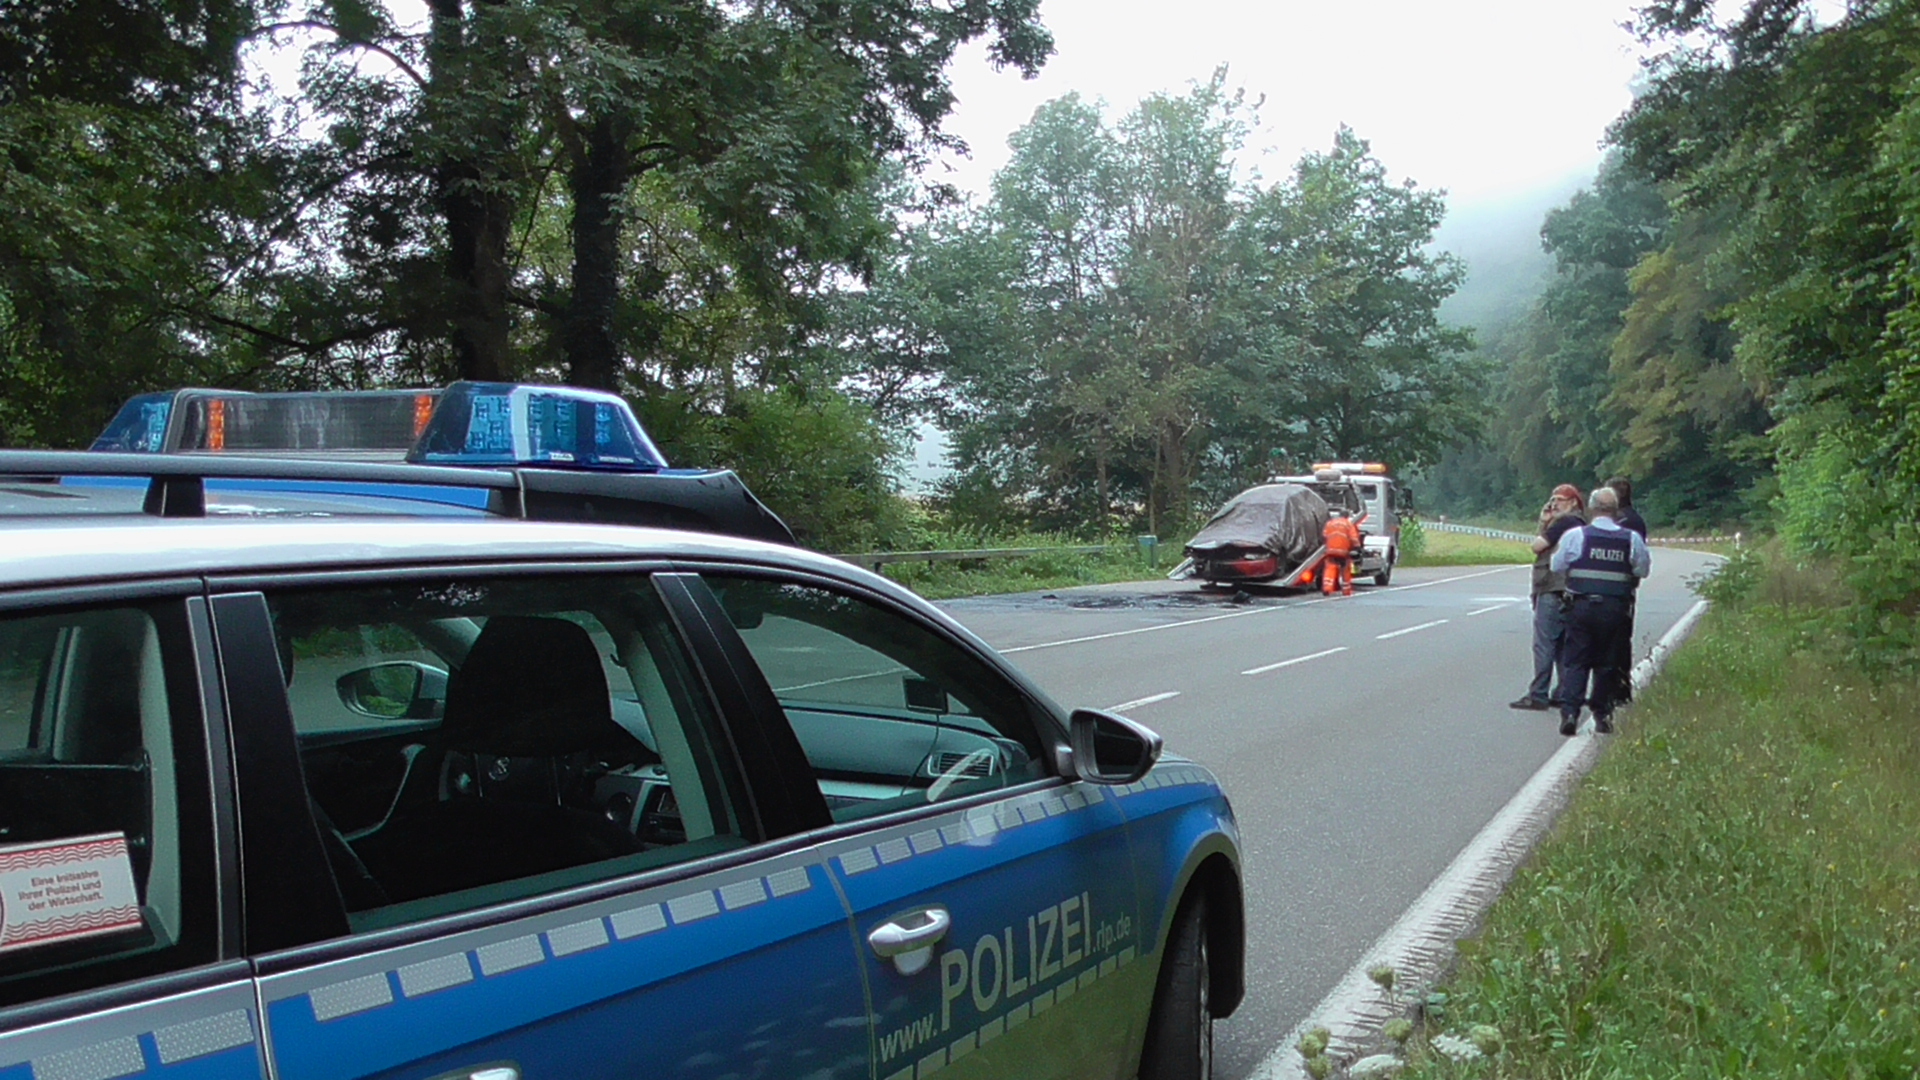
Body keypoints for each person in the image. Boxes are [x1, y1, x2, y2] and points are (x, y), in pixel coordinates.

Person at [1551, 487, 1651, 736]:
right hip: (1615, 608)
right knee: (1608, 662)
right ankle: (1603, 714)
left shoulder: (1576, 535)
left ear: (1592, 508)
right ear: (1616, 510)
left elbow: (1556, 565)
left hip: (1580, 606)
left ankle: (1570, 712)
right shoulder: (1631, 538)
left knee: (1576, 661)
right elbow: (1642, 570)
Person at [1510, 484, 1586, 711]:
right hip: (1571, 590)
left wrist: (1544, 523)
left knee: (1544, 644)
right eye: (1552, 499)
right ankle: (1563, 692)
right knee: (1563, 644)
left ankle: (1538, 694)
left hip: (1552, 588)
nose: (1554, 504)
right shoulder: (1581, 524)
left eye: (1560, 499)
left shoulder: (1564, 523)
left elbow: (1537, 546)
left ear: (1573, 502)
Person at [1601, 476, 1646, 709]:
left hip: (1618, 587)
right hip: (1624, 587)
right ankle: (1617, 687)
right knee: (1619, 639)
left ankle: (1617, 688)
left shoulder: (1624, 522)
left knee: (1615, 641)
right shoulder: (1634, 519)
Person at [1321, 508, 1362, 596]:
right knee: (1345, 570)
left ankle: (1327, 588)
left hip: (1331, 550)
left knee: (1330, 568)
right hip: (1343, 552)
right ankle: (1346, 591)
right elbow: (1353, 538)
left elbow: (1324, 535)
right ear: (1347, 516)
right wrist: (1358, 548)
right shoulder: (1348, 524)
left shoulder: (1330, 523)